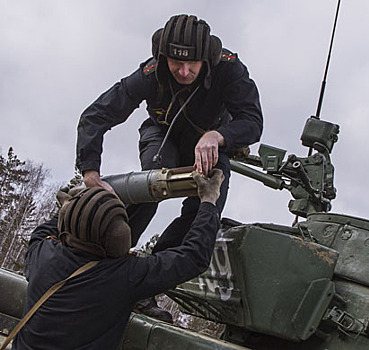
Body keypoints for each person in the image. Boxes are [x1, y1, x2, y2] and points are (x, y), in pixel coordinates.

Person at [76, 14, 263, 253]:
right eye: (176, 62)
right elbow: (96, 115)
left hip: (212, 145)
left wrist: (218, 136)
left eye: (192, 64)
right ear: (163, 57)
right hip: (162, 135)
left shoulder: (228, 69)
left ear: (206, 58)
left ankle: (161, 267)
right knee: (150, 184)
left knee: (207, 205)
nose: (184, 72)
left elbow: (253, 120)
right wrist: (90, 171)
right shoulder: (151, 73)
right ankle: (106, 253)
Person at [12, 170, 224, 350]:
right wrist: (208, 201)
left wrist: (69, 208)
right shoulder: (124, 275)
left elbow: (41, 234)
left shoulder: (43, 254)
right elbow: (193, 256)